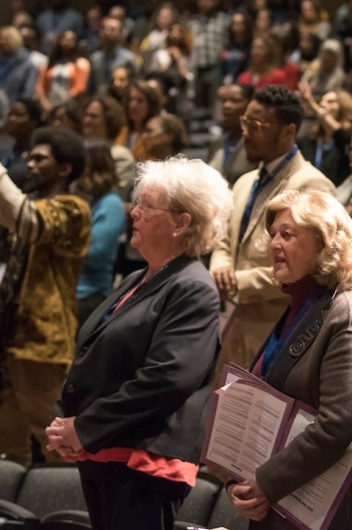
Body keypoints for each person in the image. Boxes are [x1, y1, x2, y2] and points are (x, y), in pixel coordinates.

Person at [45, 157, 232, 530]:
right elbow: (93, 356)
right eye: (138, 202)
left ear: (182, 223)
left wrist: (84, 426)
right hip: (105, 451)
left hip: (145, 462)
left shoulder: (193, 288)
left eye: (148, 205)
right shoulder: (136, 279)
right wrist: (68, 421)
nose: (135, 212)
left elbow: (166, 379)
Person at [225, 189, 352, 529]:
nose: (273, 245)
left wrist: (266, 482)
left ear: (324, 244)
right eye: (272, 235)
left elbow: (337, 425)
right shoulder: (301, 308)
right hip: (282, 506)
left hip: (325, 514)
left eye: (287, 234)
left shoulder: (346, 313)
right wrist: (242, 481)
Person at [209, 85, 335, 382]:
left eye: (256, 126)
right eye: (245, 123)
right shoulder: (244, 180)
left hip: (278, 331)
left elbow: (305, 267)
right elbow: (224, 240)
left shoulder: (313, 186)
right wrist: (220, 267)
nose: (245, 133)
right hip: (232, 327)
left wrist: (236, 283)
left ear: (288, 131)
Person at [0, 128, 91, 465]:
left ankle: (69, 511)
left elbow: (32, 222)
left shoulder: (74, 208)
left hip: (43, 344)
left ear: (64, 168)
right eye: (30, 157)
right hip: (12, 337)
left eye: (40, 159)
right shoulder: (34, 203)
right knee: (7, 442)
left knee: (54, 441)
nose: (30, 164)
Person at [71, 140, 127, 327]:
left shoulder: (111, 204)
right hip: (73, 288)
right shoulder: (90, 200)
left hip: (90, 294)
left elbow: (96, 256)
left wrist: (59, 243)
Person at [298, 86, 352, 186]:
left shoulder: (349, 139)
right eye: (322, 101)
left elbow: (340, 134)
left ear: (343, 107)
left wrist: (312, 104)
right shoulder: (309, 140)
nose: (322, 104)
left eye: (330, 101)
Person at [82, 95, 136, 200]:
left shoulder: (120, 155)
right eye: (86, 115)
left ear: (109, 120)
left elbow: (116, 194)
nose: (87, 120)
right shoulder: (78, 150)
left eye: (94, 116)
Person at [207, 83, 259, 185]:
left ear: (250, 105)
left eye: (234, 101)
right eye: (224, 101)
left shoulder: (258, 143)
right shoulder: (217, 143)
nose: (226, 105)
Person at [35, 30, 90, 112]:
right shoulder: (48, 64)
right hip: (49, 106)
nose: (67, 41)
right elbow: (40, 88)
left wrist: (62, 106)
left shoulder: (81, 63)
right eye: (64, 38)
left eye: (71, 39)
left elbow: (80, 88)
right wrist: (47, 106)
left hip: (71, 108)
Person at [189, 0, 229, 109]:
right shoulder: (192, 22)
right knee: (198, 103)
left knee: (216, 102)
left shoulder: (223, 19)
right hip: (197, 68)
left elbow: (229, 41)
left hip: (215, 66)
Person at [87, 17, 138, 96]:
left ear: (121, 33)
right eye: (104, 28)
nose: (107, 32)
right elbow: (91, 88)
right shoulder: (95, 58)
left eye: (112, 29)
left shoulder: (128, 59)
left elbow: (135, 86)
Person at [0, 98, 43, 190]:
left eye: (18, 115)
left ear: (33, 121)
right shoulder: (8, 148)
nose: (11, 119)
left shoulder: (36, 153)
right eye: (10, 114)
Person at [125, 81, 162, 162]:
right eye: (130, 100)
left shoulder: (155, 135)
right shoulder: (122, 131)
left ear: (151, 105)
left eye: (140, 101)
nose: (133, 105)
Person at [0, 27, 38, 103]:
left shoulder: (28, 66)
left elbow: (27, 94)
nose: (1, 42)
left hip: (14, 109)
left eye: (5, 39)